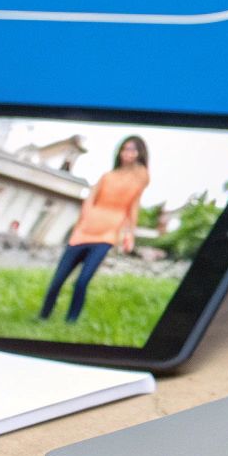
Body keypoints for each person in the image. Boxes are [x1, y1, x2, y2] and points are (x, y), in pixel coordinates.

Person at [40, 136, 149, 324]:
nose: (127, 153)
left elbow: (133, 206)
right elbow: (90, 200)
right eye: (124, 149)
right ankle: (43, 317)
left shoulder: (140, 177)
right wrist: (84, 221)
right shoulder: (107, 177)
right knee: (57, 280)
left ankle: (71, 321)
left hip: (107, 235)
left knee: (82, 281)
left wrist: (130, 234)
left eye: (132, 149)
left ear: (140, 152)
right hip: (83, 232)